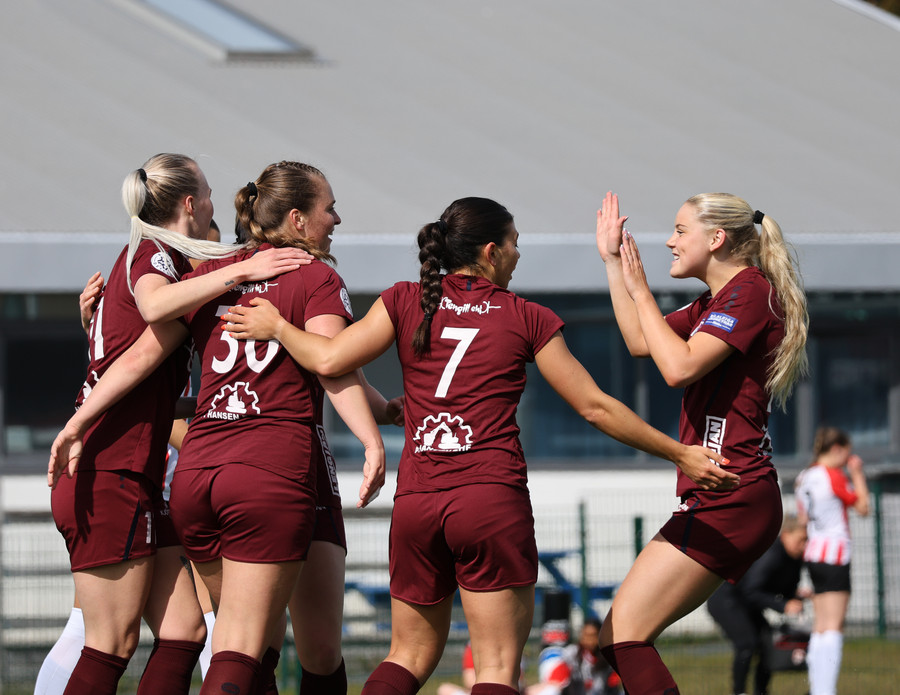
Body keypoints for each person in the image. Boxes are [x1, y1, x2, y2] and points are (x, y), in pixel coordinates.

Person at [219, 196, 737, 695]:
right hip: (489, 500)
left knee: (406, 657)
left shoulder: (404, 299)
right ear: (491, 252)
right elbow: (595, 407)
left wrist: (279, 327)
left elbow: (330, 360)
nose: (518, 254)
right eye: (514, 243)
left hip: (418, 503)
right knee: (496, 668)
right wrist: (679, 452)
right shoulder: (525, 315)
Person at [49, 160, 389, 695]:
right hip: (257, 468)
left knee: (195, 634)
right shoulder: (279, 273)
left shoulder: (201, 279)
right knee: (221, 645)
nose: (338, 219)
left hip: (194, 475)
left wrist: (78, 414)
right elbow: (331, 363)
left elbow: (138, 355)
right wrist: (372, 440)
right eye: (330, 208)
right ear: (297, 219)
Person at [594, 191, 809, 694]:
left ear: (716, 239)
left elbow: (678, 368)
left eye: (679, 230)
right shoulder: (719, 300)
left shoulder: (750, 292)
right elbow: (641, 342)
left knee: (624, 636)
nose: (670, 242)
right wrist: (612, 264)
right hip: (722, 491)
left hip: (732, 492)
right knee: (620, 637)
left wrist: (642, 289)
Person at [795, 426, 869, 695]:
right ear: (837, 449)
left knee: (821, 625)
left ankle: (817, 687)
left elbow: (803, 519)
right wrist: (857, 474)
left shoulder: (804, 477)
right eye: (846, 453)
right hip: (835, 554)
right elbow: (863, 507)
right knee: (834, 626)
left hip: (814, 553)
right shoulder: (833, 475)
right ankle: (825, 690)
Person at [706, 514, 810, 695]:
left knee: (767, 645)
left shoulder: (795, 559)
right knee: (747, 643)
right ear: (786, 534)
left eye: (806, 540)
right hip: (727, 600)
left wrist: (796, 597)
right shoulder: (771, 555)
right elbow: (751, 590)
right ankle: (739, 692)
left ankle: (761, 692)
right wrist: (783, 606)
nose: (804, 545)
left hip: (748, 604)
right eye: (800, 539)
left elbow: (783, 589)